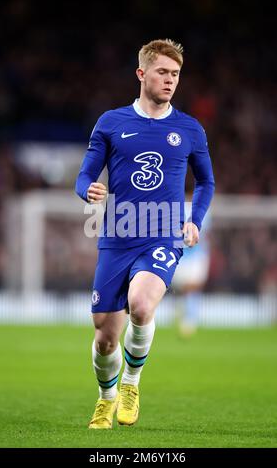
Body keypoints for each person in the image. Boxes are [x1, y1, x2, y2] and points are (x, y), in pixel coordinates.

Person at [75, 39, 215, 429]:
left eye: (175, 74)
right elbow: (85, 174)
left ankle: (132, 384)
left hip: (163, 234)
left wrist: (195, 220)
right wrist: (87, 189)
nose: (170, 80)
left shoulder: (189, 128)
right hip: (117, 236)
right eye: (162, 72)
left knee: (141, 304)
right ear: (142, 74)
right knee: (105, 335)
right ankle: (106, 397)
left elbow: (206, 182)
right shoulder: (111, 122)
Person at [172, 210, 211, 336]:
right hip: (183, 254)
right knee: (184, 288)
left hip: (193, 254)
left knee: (191, 287)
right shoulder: (178, 206)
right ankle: (186, 318)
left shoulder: (201, 209)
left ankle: (189, 319)